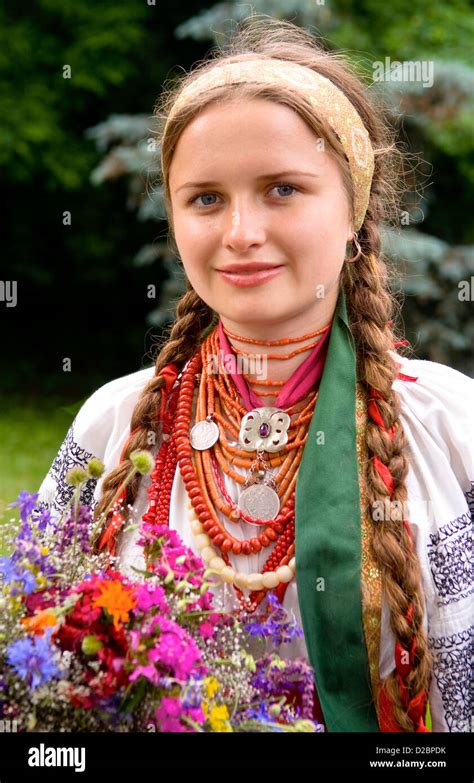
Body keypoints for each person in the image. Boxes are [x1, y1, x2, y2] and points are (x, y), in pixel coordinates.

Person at [36, 17, 473, 733]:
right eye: (205, 198)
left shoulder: (451, 429)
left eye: (282, 189)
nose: (240, 232)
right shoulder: (117, 424)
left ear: (354, 211)